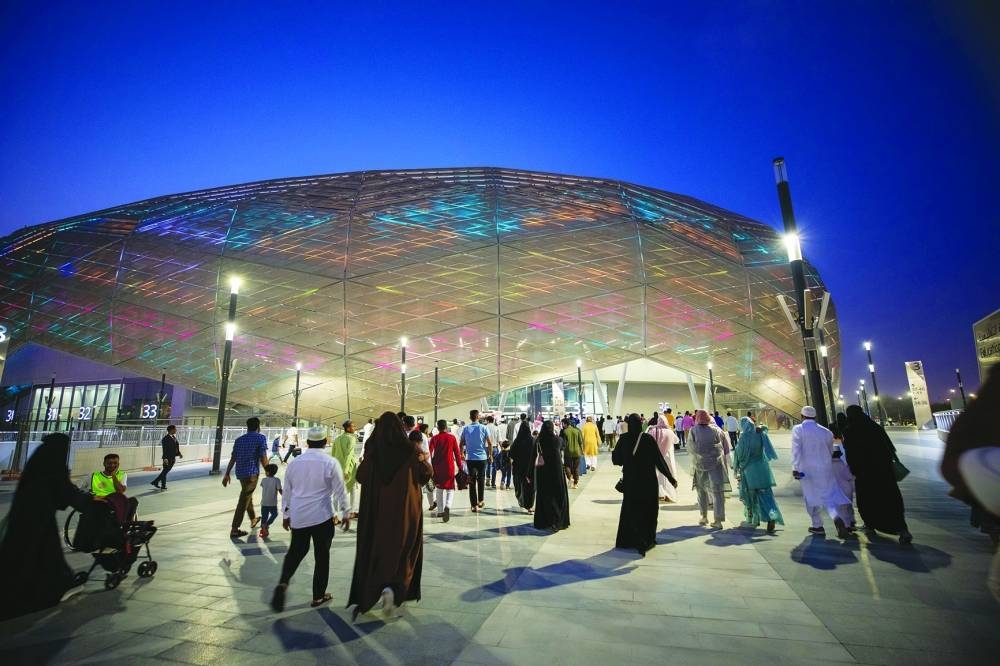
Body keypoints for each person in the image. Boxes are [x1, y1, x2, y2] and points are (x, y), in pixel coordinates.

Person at [0, 433, 95, 620]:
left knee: (28, 554)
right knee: (44, 553)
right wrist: (88, 501)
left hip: (24, 517)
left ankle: (48, 583)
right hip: (40, 519)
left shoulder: (38, 461)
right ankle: (50, 587)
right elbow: (64, 491)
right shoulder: (54, 465)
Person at [349, 411, 433, 619]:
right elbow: (426, 474)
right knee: (405, 551)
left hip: (377, 515)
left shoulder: (373, 452)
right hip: (406, 513)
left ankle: (379, 587)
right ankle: (395, 589)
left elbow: (360, 476)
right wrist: (422, 459)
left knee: (378, 551)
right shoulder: (411, 451)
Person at [270, 426, 350, 611]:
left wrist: (286, 514)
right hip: (321, 516)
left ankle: (283, 582)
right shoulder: (330, 462)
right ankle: (318, 596)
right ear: (325, 442)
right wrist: (345, 512)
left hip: (299, 515)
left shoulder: (295, 463)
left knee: (296, 551)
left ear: (307, 443)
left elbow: (288, 491)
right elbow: (339, 491)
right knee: (322, 556)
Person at [842, 404, 912, 544]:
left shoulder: (851, 430)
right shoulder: (875, 427)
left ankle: (870, 524)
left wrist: (853, 469)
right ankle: (902, 529)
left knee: (868, 500)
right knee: (891, 500)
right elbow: (890, 448)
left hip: (865, 473)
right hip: (884, 471)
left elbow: (851, 453)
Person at [614, 414, 676, 555]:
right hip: (648, 482)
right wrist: (671, 478)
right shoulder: (648, 439)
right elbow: (659, 461)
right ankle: (646, 540)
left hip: (631, 482)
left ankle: (628, 540)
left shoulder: (623, 439)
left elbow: (616, 459)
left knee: (631, 510)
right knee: (648, 511)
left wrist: (627, 459)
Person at [792, 406, 854, 539]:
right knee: (828, 497)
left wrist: (795, 468)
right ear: (815, 417)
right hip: (825, 469)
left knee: (811, 497)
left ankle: (817, 525)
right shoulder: (826, 432)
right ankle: (837, 518)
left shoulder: (798, 429)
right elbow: (830, 451)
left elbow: (796, 449)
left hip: (807, 470)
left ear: (802, 416)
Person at [733, 417, 783, 533]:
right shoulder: (759, 433)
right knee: (766, 495)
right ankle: (772, 515)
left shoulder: (743, 437)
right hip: (762, 468)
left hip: (749, 471)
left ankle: (755, 518)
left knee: (752, 496)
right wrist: (761, 426)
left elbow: (740, 454)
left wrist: (736, 460)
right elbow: (765, 430)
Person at [222, 417, 269, 538]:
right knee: (243, 500)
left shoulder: (239, 440)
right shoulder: (260, 438)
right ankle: (234, 529)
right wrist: (269, 472)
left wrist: (227, 473)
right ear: (258, 427)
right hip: (252, 474)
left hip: (241, 474)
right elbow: (263, 456)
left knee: (247, 496)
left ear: (247, 426)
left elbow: (233, 458)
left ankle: (253, 519)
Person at [689, 410, 726, 528]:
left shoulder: (693, 430)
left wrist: (701, 455)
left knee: (701, 491)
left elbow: (691, 448)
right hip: (715, 464)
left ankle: (704, 517)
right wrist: (711, 455)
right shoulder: (715, 430)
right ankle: (718, 520)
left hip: (700, 465)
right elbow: (720, 447)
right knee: (717, 492)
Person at [533, 420, 570, 531]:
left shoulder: (539, 440)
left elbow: (534, 454)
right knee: (558, 495)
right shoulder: (558, 440)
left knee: (545, 495)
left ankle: (544, 520)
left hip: (543, 471)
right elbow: (564, 445)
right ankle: (558, 521)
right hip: (557, 471)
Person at [429, 419, 463, 521]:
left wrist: (430, 466)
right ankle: (447, 506)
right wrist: (460, 467)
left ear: (438, 427)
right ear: (446, 427)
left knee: (439, 489)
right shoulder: (451, 438)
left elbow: (429, 452)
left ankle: (440, 511)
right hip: (449, 466)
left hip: (437, 466)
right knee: (450, 488)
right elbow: (457, 454)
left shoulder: (434, 439)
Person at [460, 409, 492, 512]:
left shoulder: (466, 428)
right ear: (478, 417)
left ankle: (473, 505)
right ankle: (481, 500)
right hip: (482, 458)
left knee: (472, 481)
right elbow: (490, 443)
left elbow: (461, 443)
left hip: (471, 459)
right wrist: (490, 455)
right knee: (481, 479)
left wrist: (462, 454)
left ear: (470, 417)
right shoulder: (484, 427)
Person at [330, 420, 360, 518]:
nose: (354, 428)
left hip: (338, 467)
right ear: (348, 428)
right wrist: (346, 470)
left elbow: (333, 454)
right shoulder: (351, 439)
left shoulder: (338, 439)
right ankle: (350, 511)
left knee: (336, 491)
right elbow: (349, 455)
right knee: (351, 489)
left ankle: (334, 514)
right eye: (353, 426)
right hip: (349, 468)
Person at [646, 414, 679, 502]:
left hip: (656, 457)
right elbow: (677, 441)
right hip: (667, 456)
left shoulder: (652, 431)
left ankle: (660, 494)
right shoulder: (669, 431)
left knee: (657, 475)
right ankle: (669, 495)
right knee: (669, 474)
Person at [509, 421, 536, 513]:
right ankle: (529, 506)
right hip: (530, 468)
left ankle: (521, 501)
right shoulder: (533, 440)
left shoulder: (517, 441)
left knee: (519, 486)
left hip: (518, 468)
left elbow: (511, 454)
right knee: (530, 487)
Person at [151, 424, 182, 489]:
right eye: (175, 429)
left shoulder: (173, 437)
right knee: (165, 471)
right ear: (171, 430)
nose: (176, 430)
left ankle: (163, 485)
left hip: (172, 457)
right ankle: (155, 482)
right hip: (167, 458)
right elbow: (164, 449)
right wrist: (165, 458)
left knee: (165, 471)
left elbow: (176, 447)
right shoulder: (165, 439)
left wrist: (179, 453)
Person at [258, 464, 282, 539]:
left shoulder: (263, 480)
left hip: (264, 503)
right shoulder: (277, 480)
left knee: (264, 516)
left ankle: (263, 529)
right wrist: (285, 496)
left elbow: (262, 486)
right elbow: (280, 490)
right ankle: (266, 525)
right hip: (272, 503)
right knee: (274, 514)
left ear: (267, 472)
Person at [562, 417, 583, 488]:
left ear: (566, 424)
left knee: (567, 466)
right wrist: (582, 451)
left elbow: (564, 443)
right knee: (576, 468)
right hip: (577, 452)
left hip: (568, 452)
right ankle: (575, 484)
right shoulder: (577, 431)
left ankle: (570, 478)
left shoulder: (565, 431)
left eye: (563, 424)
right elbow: (580, 442)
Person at [485, 415, 502, 488]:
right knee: (494, 465)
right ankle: (493, 483)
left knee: (487, 464)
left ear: (488, 421)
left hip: (485, 448)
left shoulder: (484, 427)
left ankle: (488, 479)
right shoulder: (496, 428)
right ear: (493, 420)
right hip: (494, 448)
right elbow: (499, 440)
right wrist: (502, 449)